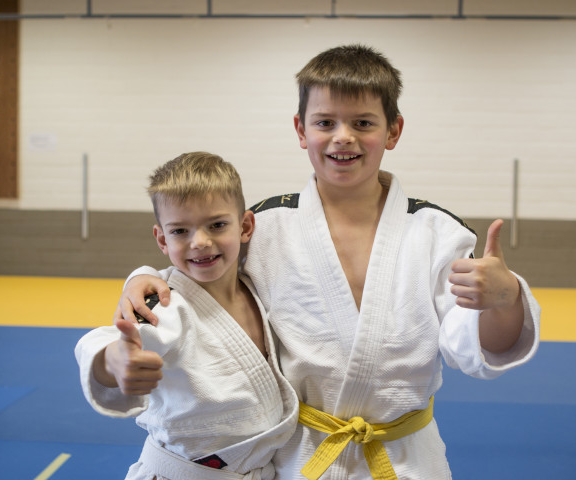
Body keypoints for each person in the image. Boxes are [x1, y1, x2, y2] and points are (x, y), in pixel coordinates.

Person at [116, 45, 541, 479]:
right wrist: (144, 276)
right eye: (325, 122)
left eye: (363, 123)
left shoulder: (436, 233)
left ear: (393, 131)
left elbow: (473, 349)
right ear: (301, 130)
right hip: (298, 459)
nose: (343, 136)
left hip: (406, 460)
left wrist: (505, 299)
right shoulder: (264, 228)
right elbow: (195, 272)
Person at [75, 152, 299, 480]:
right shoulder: (167, 305)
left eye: (217, 225)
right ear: (163, 240)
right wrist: (114, 361)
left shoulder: (260, 287)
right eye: (180, 231)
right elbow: (109, 340)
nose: (200, 242)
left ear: (246, 226)